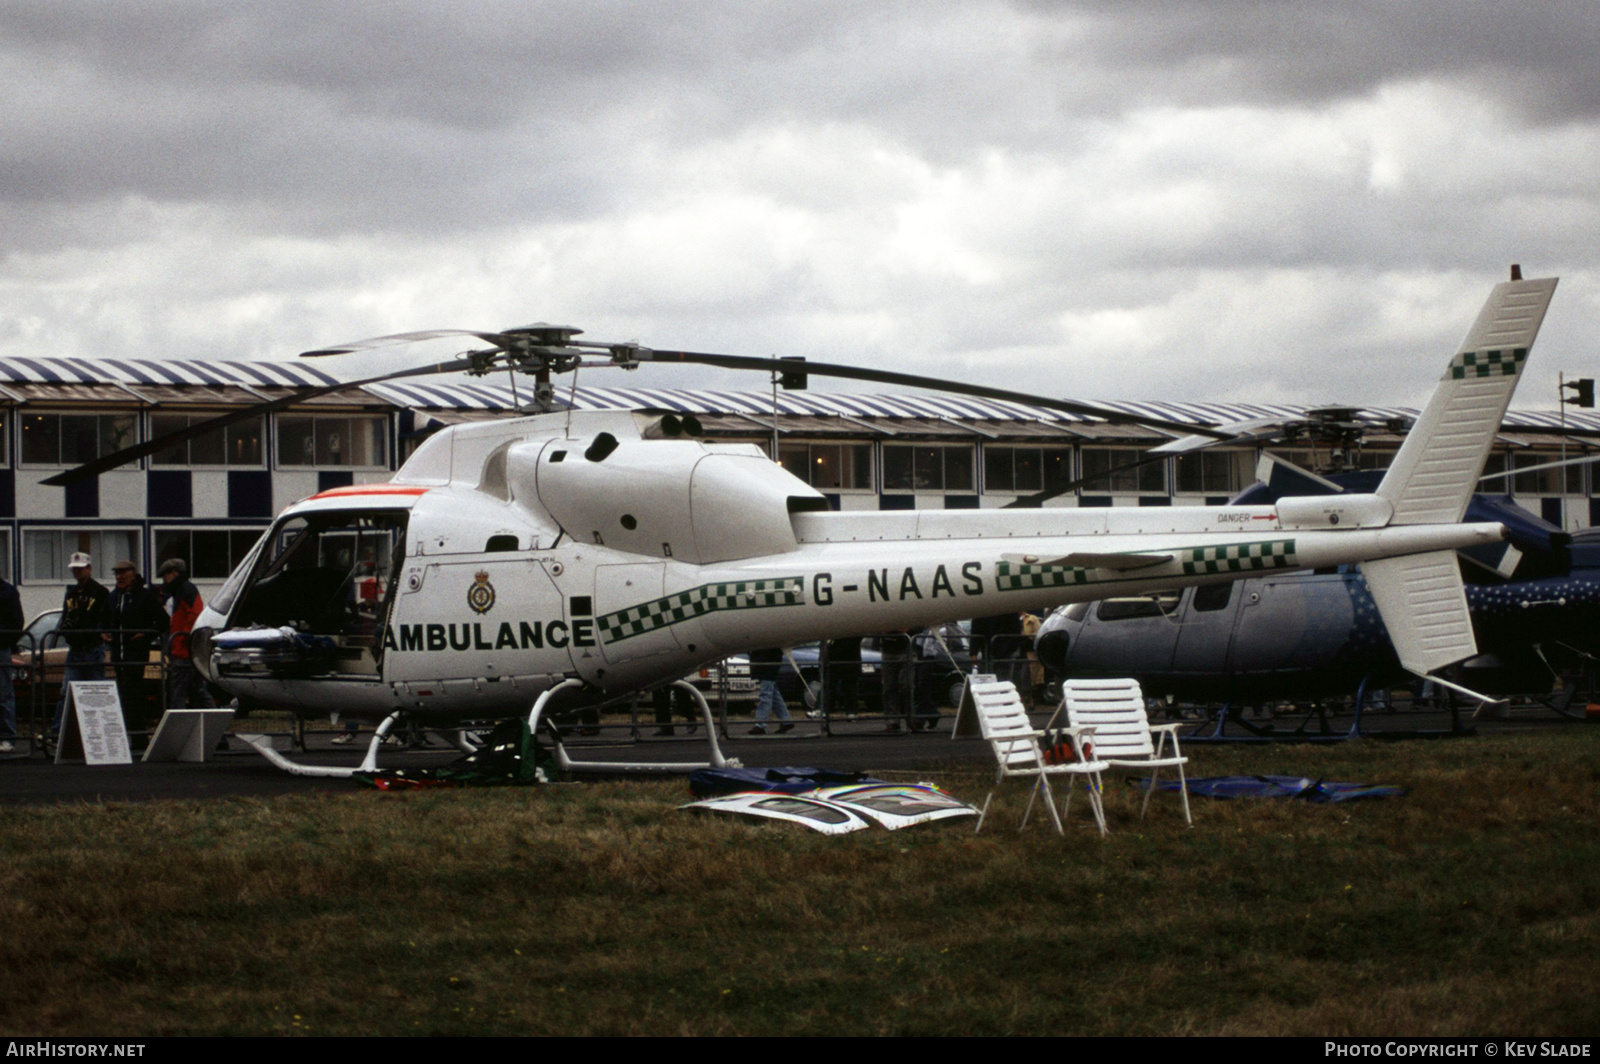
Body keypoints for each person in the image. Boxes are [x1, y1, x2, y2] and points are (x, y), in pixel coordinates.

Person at [103, 559, 168, 731]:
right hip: (118, 654)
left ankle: (137, 735)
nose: (119, 577)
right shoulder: (113, 597)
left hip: (136, 653)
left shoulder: (144, 596)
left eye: (123, 573)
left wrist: (146, 634)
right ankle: (127, 734)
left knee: (132, 694)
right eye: (117, 573)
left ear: (133, 574)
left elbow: (162, 621)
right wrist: (103, 631)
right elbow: (102, 619)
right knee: (124, 694)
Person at [54, 552, 110, 736]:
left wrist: (102, 632)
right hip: (75, 648)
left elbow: (105, 619)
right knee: (66, 692)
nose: (77, 572)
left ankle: (99, 731)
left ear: (89, 568)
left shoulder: (100, 592)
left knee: (96, 691)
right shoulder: (71, 593)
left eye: (80, 568)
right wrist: (65, 630)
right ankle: (58, 733)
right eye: (75, 569)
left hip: (93, 647)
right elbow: (66, 617)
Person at [157, 558, 216, 711]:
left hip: (183, 652)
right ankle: (215, 723)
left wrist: (182, 639)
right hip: (189, 651)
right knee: (198, 691)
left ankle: (177, 730)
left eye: (166, 575)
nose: (164, 579)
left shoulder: (184, 590)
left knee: (178, 694)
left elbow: (193, 616)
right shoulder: (184, 590)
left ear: (174, 573)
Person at [747, 647, 793, 735]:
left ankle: (760, 724)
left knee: (766, 695)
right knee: (774, 695)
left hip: (766, 666)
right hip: (767, 666)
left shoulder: (769, 647)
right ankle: (786, 720)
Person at [0, 571, 21, 754]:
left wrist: (6, 641)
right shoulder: (8, 592)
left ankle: (7, 736)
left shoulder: (8, 593)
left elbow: (16, 623)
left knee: (4, 692)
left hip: (1, 648)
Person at [879, 628, 915, 732]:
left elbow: (920, 625)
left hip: (906, 649)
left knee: (906, 685)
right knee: (889, 686)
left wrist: (907, 630)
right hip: (888, 650)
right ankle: (892, 721)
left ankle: (911, 718)